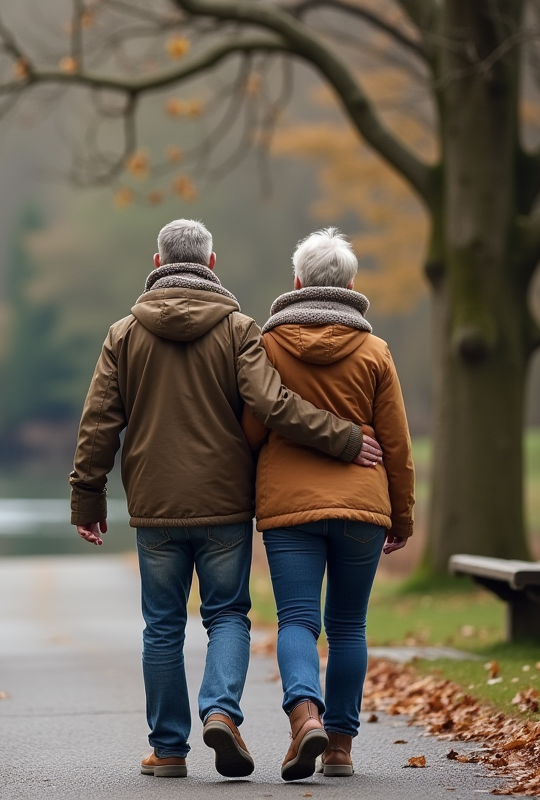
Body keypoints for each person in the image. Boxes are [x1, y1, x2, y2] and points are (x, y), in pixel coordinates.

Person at [69, 219, 383, 780]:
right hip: (226, 506)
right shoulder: (239, 330)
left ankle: (168, 751)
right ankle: (220, 711)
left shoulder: (124, 334)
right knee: (228, 615)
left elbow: (99, 425)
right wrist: (345, 438)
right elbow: (273, 405)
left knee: (162, 626)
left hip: (155, 506)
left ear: (158, 262)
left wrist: (87, 498)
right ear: (212, 264)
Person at [241, 227, 414, 782]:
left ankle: (304, 715)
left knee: (296, 619)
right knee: (348, 627)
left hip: (291, 505)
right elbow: (396, 443)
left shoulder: (267, 346)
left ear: (297, 281)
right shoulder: (374, 351)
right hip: (363, 506)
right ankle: (339, 747)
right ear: (351, 285)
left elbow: (251, 426)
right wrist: (402, 514)